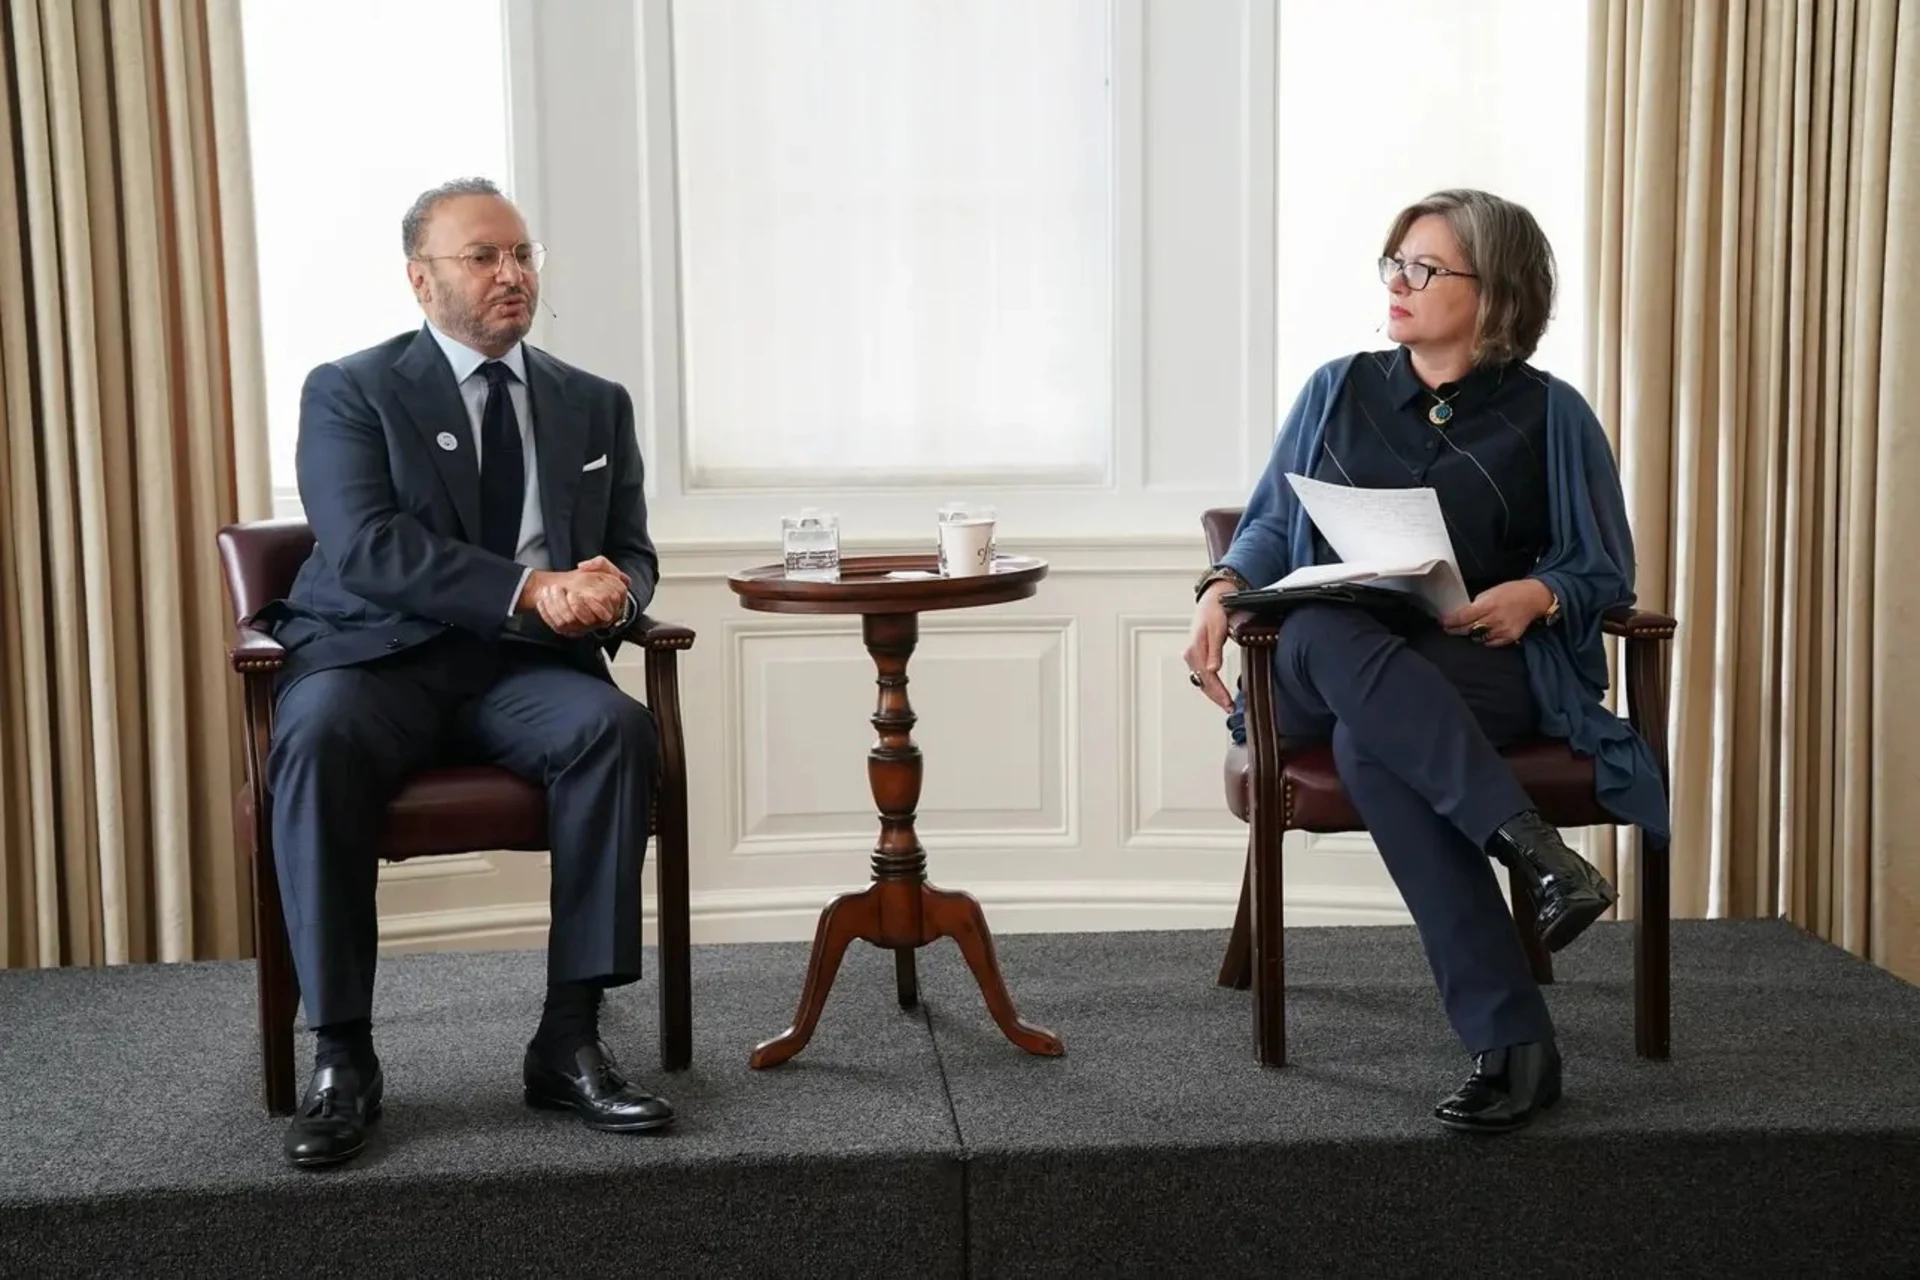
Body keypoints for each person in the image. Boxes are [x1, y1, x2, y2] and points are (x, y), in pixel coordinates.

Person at [1184, 188, 1668, 1135]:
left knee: (1378, 750)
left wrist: (1538, 593)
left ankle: (1515, 1045)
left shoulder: (1551, 415)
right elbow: (1273, 529)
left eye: (1426, 268)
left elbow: (1602, 567)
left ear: (1495, 294)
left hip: (1468, 664)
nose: (1399, 284)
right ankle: (1534, 852)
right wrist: (1216, 588)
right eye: (1395, 263)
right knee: (1324, 629)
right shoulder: (1339, 386)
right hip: (1320, 670)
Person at [253, 177, 674, 1169]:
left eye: (522, 254)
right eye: (484, 256)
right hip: (377, 654)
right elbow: (368, 547)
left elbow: (631, 547)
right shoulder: (349, 389)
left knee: (613, 730)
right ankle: (343, 1055)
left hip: (519, 672)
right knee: (310, 737)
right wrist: (536, 590)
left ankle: (568, 1037)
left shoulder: (592, 403)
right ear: (420, 277)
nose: (512, 274)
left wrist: (614, 588)